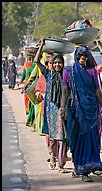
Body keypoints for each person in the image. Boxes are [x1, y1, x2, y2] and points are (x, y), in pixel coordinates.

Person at [60, 45, 102, 182]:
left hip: (91, 111)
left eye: (84, 56)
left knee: (90, 140)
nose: (82, 58)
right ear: (76, 57)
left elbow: (97, 92)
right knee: (76, 141)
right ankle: (78, 167)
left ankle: (85, 171)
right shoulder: (68, 72)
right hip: (75, 112)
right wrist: (63, 108)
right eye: (80, 56)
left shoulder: (92, 72)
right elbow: (65, 91)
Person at [34, 38, 68, 173]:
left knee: (63, 137)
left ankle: (61, 164)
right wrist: (42, 46)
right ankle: (52, 157)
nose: (57, 65)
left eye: (60, 62)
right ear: (51, 64)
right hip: (50, 109)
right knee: (53, 137)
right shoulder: (48, 74)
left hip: (62, 108)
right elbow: (37, 61)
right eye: (55, 62)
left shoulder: (66, 75)